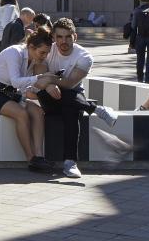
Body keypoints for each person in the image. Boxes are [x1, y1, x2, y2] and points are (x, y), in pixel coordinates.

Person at [36, 18, 112, 179]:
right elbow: (40, 75)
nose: (64, 41)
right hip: (49, 96)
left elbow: (70, 83)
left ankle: (70, 163)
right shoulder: (48, 50)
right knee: (46, 93)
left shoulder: (85, 57)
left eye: (68, 37)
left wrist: (48, 80)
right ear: (54, 38)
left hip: (72, 95)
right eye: (60, 37)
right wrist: (48, 85)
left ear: (75, 37)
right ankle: (95, 108)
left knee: (71, 110)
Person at [0, 24, 57, 174]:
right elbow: (15, 81)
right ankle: (31, 159)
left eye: (47, 53)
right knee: (21, 113)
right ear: (31, 47)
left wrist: (48, 83)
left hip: (9, 94)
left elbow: (27, 87)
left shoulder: (34, 59)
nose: (44, 56)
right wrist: (40, 77)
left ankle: (39, 157)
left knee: (38, 112)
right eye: (42, 53)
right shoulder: (14, 52)